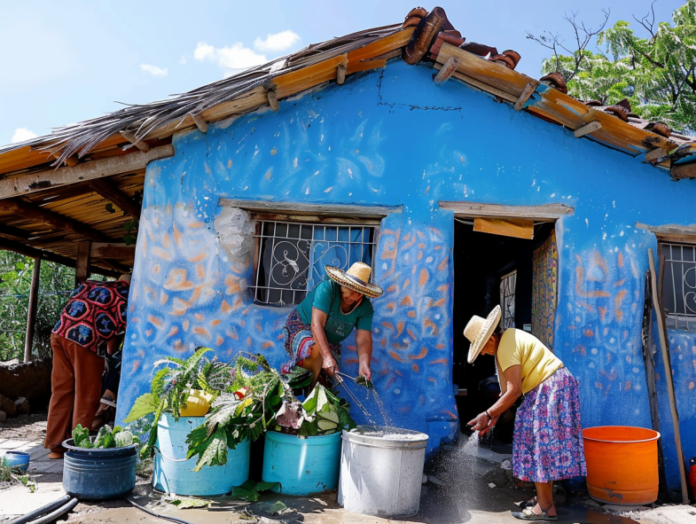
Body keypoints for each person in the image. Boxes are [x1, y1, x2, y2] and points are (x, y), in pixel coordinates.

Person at [465, 305, 586, 522]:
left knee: (537, 445)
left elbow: (514, 392)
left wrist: (487, 413)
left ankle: (545, 506)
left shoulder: (505, 347)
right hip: (554, 385)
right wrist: (493, 418)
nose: (482, 352)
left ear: (491, 339)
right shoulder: (509, 340)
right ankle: (544, 501)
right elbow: (505, 394)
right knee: (541, 445)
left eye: (482, 347)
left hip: (550, 387)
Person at [44, 274, 131, 459]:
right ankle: (78, 447)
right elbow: (112, 344)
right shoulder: (123, 294)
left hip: (58, 334)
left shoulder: (89, 285)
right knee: (87, 394)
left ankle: (55, 447)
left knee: (61, 390)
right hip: (84, 339)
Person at [281, 262, 382, 388]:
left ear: (362, 293)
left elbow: (364, 339)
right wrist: (327, 357)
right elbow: (316, 324)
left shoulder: (365, 308)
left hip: (328, 341)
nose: (351, 295)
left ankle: (316, 404)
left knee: (327, 375)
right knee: (315, 352)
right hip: (302, 326)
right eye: (349, 288)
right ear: (343, 283)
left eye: (357, 291)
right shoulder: (327, 289)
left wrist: (364, 364)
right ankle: (289, 389)